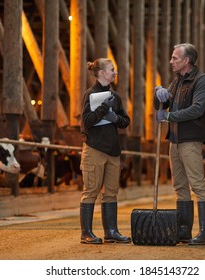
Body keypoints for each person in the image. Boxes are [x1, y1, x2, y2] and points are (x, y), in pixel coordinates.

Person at [153, 43, 205, 245]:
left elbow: (197, 109)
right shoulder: (177, 81)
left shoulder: (201, 81)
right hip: (175, 140)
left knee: (197, 184)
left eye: (174, 58)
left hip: (190, 140)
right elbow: (164, 103)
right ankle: (184, 230)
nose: (171, 61)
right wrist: (159, 95)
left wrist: (169, 116)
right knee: (179, 185)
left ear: (186, 60)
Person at [79, 58, 131, 244]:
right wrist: (103, 108)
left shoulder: (115, 96)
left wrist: (114, 117)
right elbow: (87, 121)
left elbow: (125, 121)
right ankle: (86, 233)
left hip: (113, 151)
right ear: (102, 73)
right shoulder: (90, 94)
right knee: (91, 190)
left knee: (111, 192)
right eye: (112, 69)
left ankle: (111, 231)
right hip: (94, 149)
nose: (114, 72)